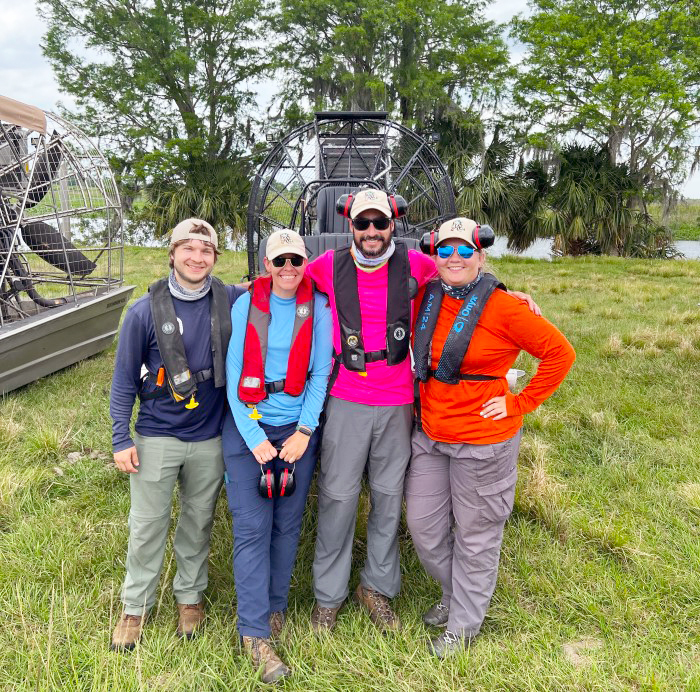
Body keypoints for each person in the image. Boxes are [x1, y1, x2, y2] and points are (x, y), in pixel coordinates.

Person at [404, 217, 575, 657]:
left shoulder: (504, 308)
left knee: (477, 536)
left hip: (483, 441)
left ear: (481, 255)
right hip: (431, 434)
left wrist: (519, 403)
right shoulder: (426, 294)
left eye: (464, 250)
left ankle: (462, 625)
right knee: (423, 528)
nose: (455, 257)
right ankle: (453, 593)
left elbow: (560, 353)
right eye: (445, 250)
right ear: (434, 255)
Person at [109, 218, 245, 650]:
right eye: (188, 249)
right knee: (147, 525)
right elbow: (124, 379)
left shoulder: (231, 299)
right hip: (157, 434)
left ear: (216, 258)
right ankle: (135, 607)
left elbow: (279, 288)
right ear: (172, 253)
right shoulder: (144, 311)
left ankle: (190, 597)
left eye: (206, 251)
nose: (197, 258)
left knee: (198, 521)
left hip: (209, 435)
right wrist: (120, 437)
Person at [222, 229, 332, 683]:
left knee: (288, 522)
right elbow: (233, 376)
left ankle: (276, 606)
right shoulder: (246, 303)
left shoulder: (320, 308)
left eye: (296, 261)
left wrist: (305, 431)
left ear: (305, 262)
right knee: (253, 527)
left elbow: (321, 372)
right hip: (250, 423)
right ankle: (253, 632)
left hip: (297, 428)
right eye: (279, 261)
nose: (288, 270)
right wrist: (254, 438)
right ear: (266, 265)